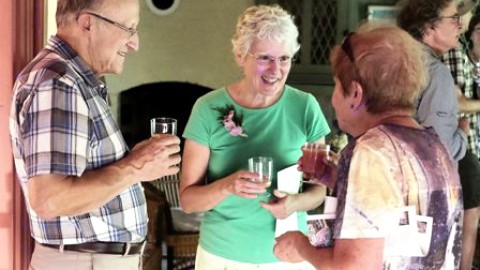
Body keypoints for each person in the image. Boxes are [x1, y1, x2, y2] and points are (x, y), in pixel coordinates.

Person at [273, 23, 464, 269]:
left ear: (355, 94)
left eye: (336, 86)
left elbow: (353, 267)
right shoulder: (434, 146)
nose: (333, 98)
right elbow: (402, 217)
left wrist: (300, 245)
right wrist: (340, 180)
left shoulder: (371, 151)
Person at [9, 0, 181, 269]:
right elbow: (50, 199)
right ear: (88, 23)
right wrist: (136, 167)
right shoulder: (59, 83)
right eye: (128, 28)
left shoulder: (74, 80)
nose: (134, 44)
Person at [179, 4, 330, 270]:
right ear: (240, 55)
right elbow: (189, 201)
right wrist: (227, 186)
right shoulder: (207, 108)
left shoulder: (306, 107)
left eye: (284, 59)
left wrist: (295, 203)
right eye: (264, 58)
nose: (275, 70)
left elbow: (319, 189)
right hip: (222, 256)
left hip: (289, 256)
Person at [442, 2, 480, 268]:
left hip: (466, 143)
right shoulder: (454, 53)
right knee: (470, 212)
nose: (460, 20)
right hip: (459, 144)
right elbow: (456, 106)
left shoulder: (463, 54)